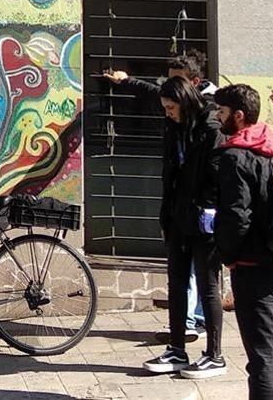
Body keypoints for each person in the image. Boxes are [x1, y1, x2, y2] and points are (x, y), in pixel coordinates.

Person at [104, 50, 214, 339]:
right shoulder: (174, 113)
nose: (167, 93)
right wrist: (125, 81)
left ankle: (194, 324)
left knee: (200, 269)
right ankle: (191, 322)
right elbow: (149, 91)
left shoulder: (209, 115)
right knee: (188, 268)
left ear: (195, 82)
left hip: (202, 208)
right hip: (180, 203)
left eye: (175, 84)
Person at [213, 84, 273, 399]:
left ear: (238, 115)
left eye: (221, 112)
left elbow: (237, 216)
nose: (217, 117)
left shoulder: (235, 157)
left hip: (253, 267)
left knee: (262, 356)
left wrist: (226, 255)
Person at [142, 77, 227, 379]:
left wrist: (207, 209)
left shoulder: (210, 129)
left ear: (185, 102)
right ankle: (176, 349)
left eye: (171, 107)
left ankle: (214, 355)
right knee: (177, 283)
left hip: (204, 220)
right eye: (164, 108)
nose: (167, 112)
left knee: (208, 286)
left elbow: (218, 177)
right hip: (177, 216)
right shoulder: (173, 129)